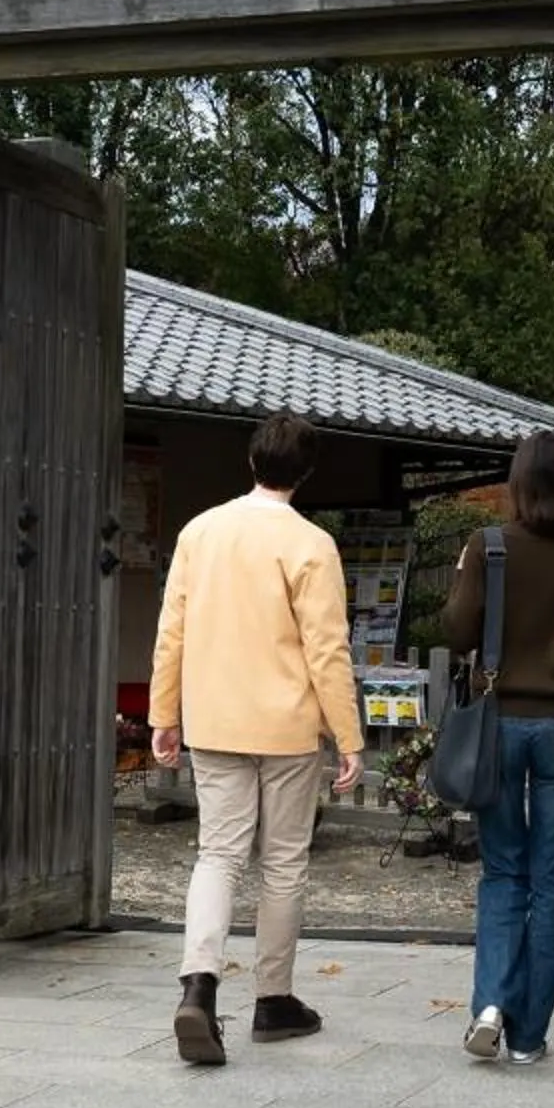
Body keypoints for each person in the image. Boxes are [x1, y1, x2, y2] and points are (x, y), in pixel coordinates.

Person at [148, 411, 365, 1067]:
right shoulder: (311, 544)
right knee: (283, 862)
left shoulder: (200, 532)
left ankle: (199, 986)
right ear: (304, 474)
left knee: (218, 853)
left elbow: (172, 629)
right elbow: (326, 648)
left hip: (214, 718)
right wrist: (348, 735)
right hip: (288, 725)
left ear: (251, 463)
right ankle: (273, 999)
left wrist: (165, 712)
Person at [442, 427, 554, 1065]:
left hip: (498, 724)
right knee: (552, 881)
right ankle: (529, 1035)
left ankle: (490, 1002)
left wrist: (469, 576)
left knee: (503, 871)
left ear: (517, 486)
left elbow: (457, 631)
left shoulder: (488, 548)